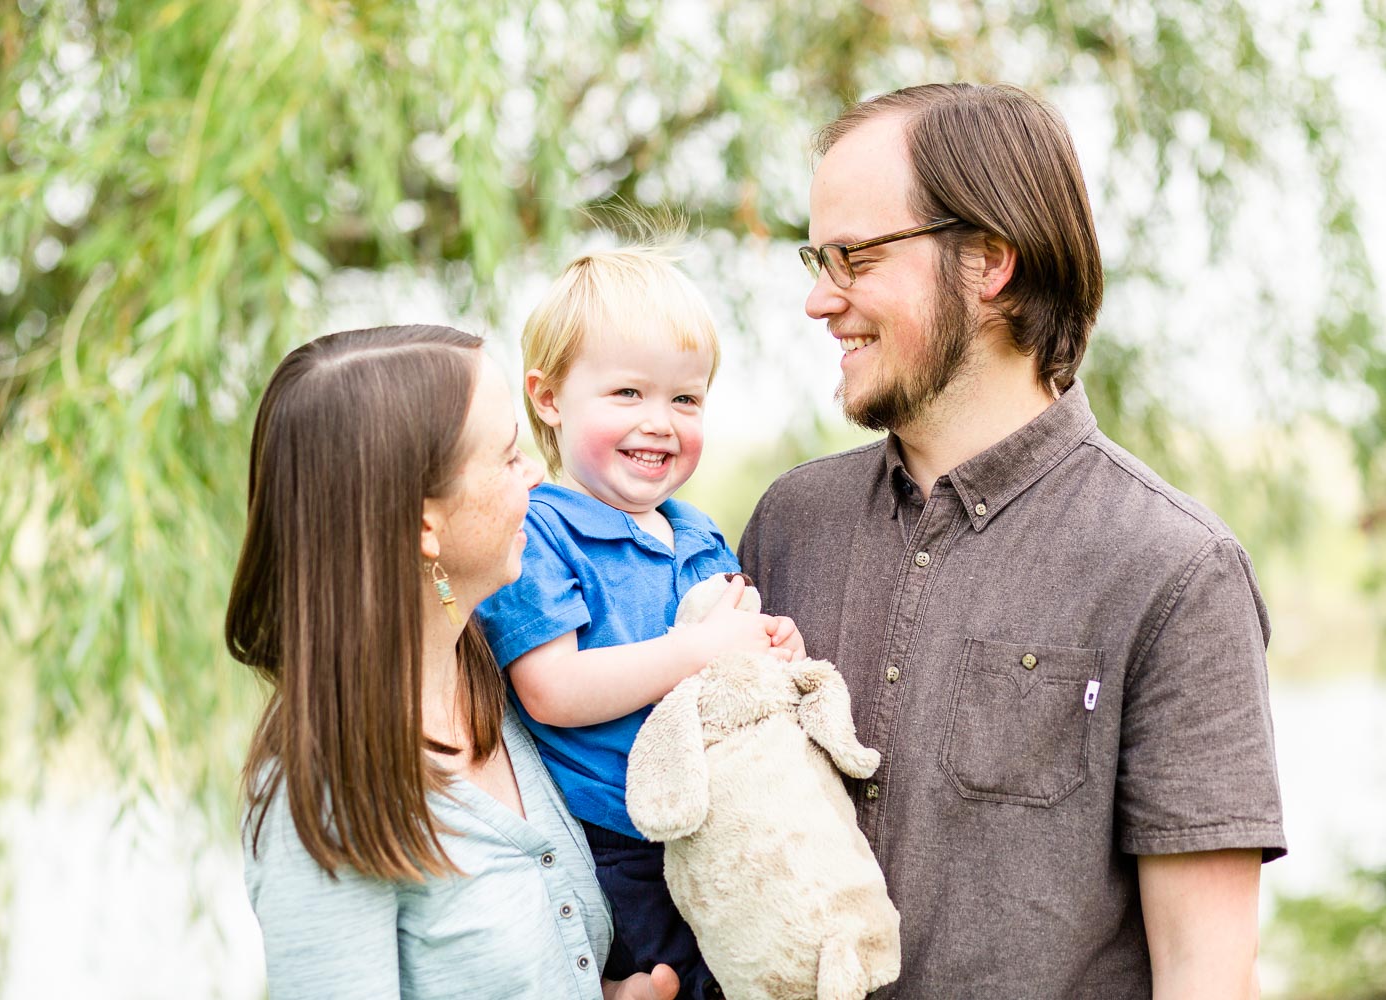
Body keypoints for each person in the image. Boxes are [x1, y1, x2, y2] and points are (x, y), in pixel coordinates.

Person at [738, 84, 1287, 999]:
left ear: (989, 261)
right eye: (816, 258)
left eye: (855, 258)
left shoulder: (1177, 572)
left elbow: (1208, 976)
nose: (817, 301)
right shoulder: (788, 524)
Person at [227, 324, 679, 1000]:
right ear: (423, 525)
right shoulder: (321, 798)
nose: (535, 475)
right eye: (507, 457)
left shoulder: (506, 690)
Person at [476, 247, 803, 1000]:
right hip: (618, 845)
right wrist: (698, 649)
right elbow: (553, 689)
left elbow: (730, 657)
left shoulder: (696, 532)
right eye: (627, 393)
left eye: (685, 401)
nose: (659, 424)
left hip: (717, 827)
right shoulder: (541, 532)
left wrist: (771, 648)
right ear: (550, 398)